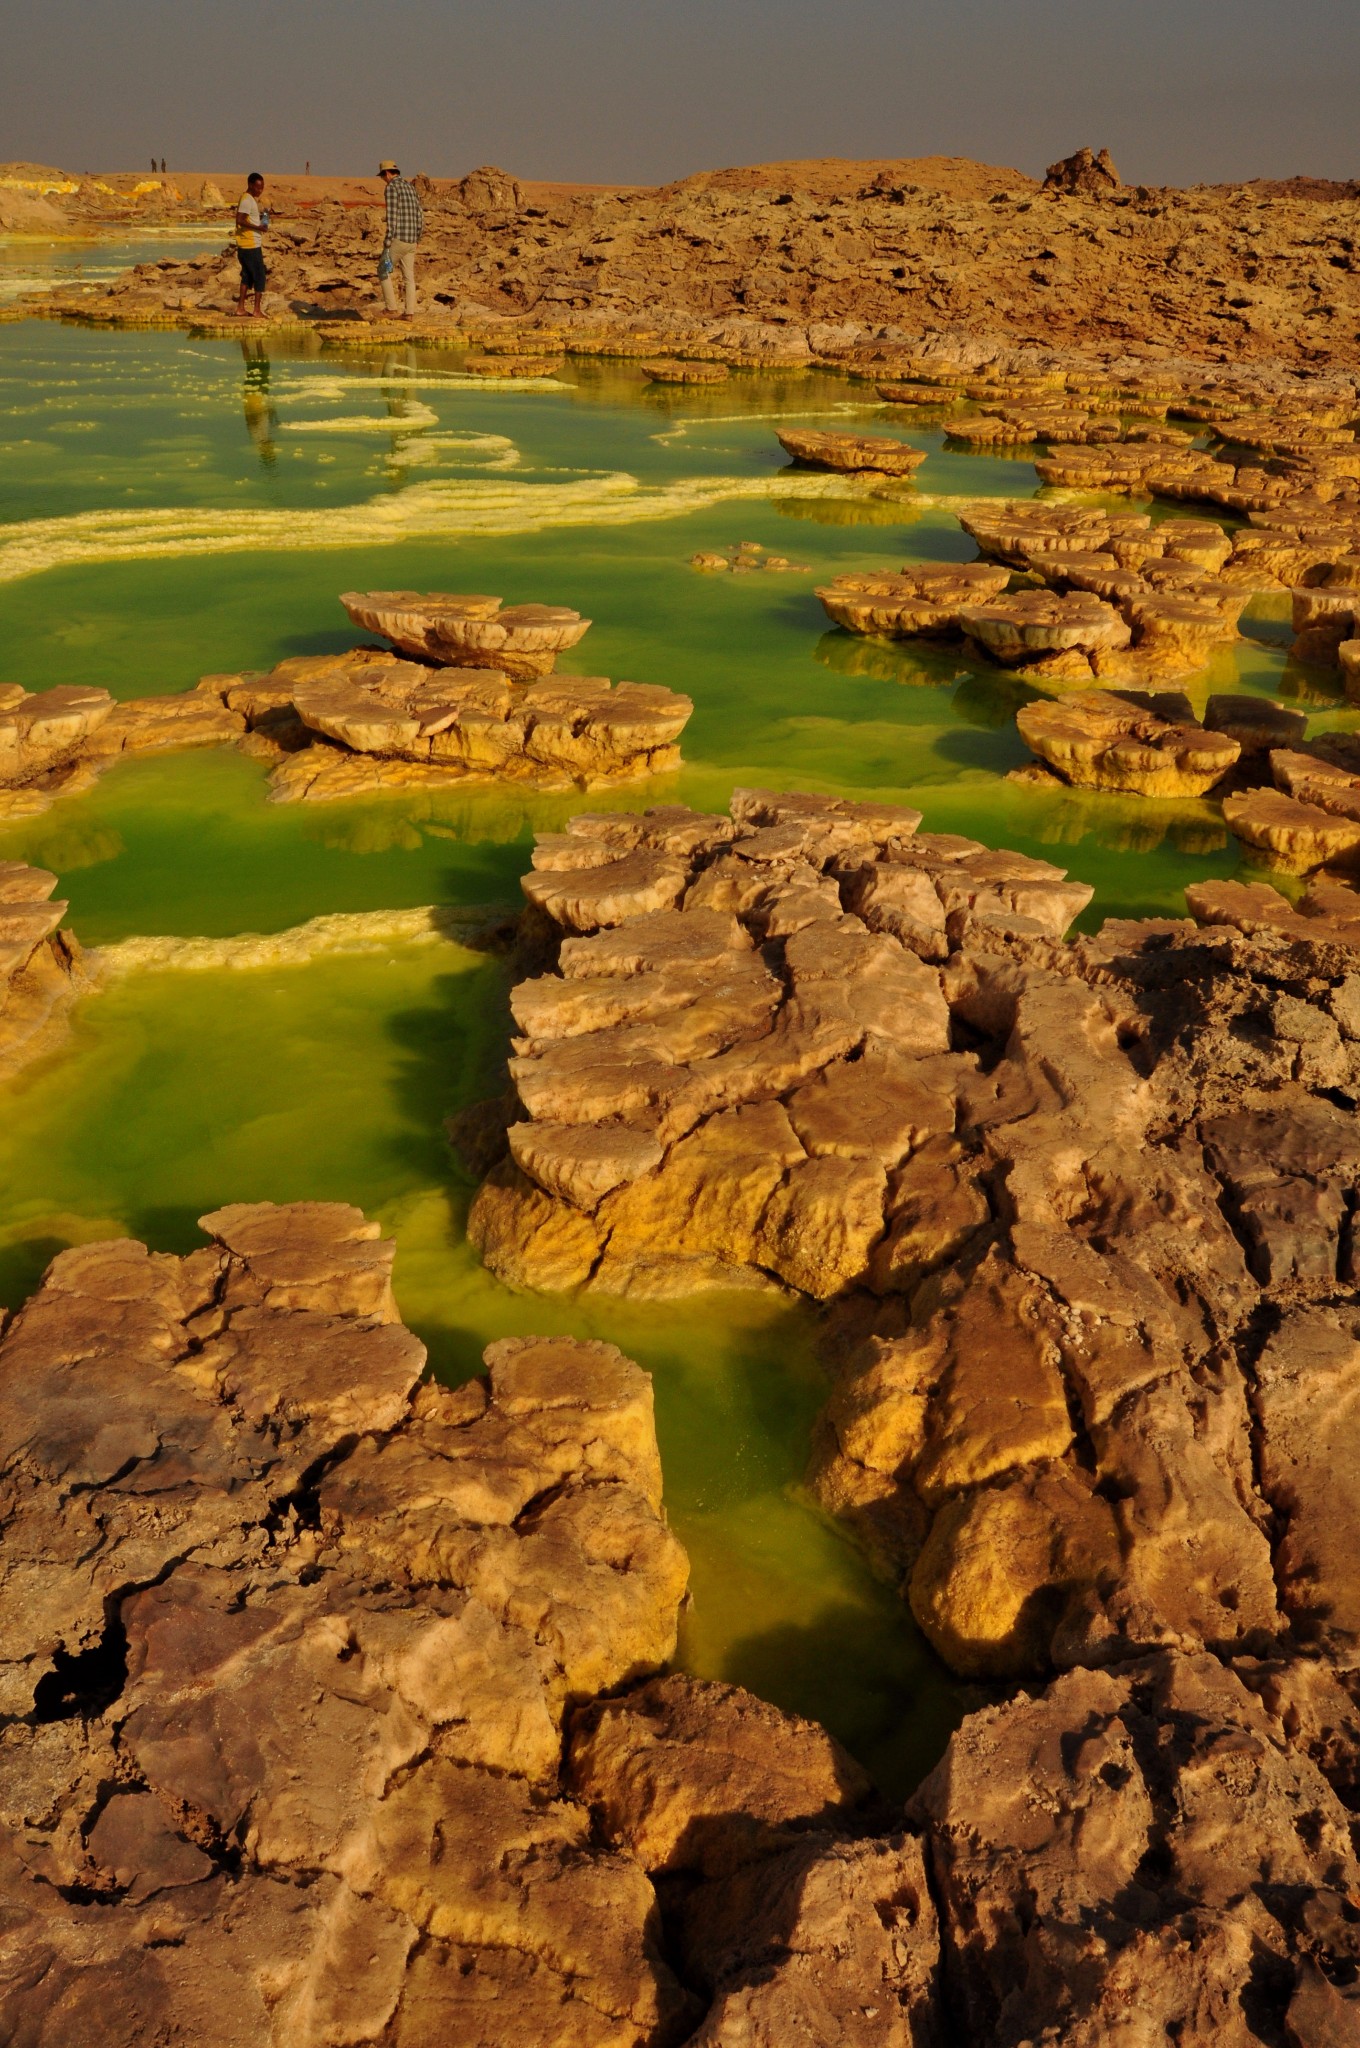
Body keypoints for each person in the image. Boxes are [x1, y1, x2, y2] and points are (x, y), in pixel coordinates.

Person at [377, 160, 423, 320]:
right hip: (411, 242)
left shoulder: (392, 188)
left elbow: (392, 216)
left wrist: (388, 241)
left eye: (383, 176)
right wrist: (418, 238)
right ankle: (409, 313)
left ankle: (391, 309)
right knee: (409, 278)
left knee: (383, 269)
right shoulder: (411, 188)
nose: (383, 179)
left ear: (387, 173)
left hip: (398, 240)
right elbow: (420, 215)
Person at [235, 172, 269, 319]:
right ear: (250, 185)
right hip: (250, 244)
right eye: (257, 187)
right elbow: (240, 220)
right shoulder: (247, 200)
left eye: (262, 188)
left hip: (245, 244)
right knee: (260, 276)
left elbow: (247, 219)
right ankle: (256, 310)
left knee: (247, 276)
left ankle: (240, 309)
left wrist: (263, 219)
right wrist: (259, 228)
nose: (260, 190)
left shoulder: (249, 200)